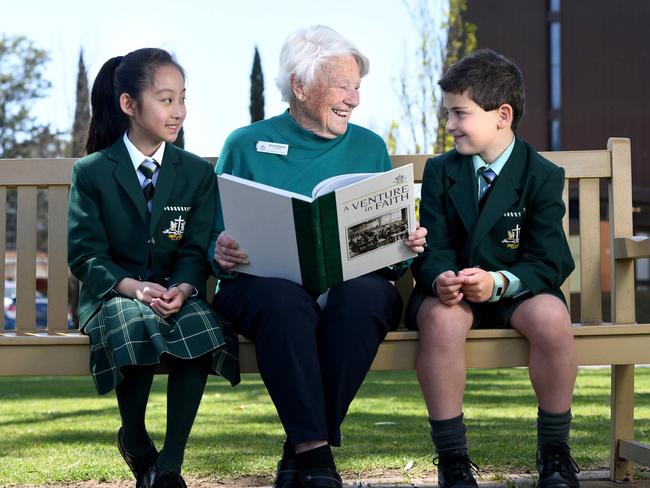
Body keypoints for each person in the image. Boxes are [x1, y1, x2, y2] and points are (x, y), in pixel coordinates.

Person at [211, 25, 427, 488]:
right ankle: (316, 459)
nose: (354, 99)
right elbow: (213, 234)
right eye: (342, 85)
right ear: (300, 85)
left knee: (369, 298)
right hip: (260, 288)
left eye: (357, 87)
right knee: (287, 305)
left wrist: (403, 245)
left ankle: (301, 450)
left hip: (346, 286)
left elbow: (392, 257)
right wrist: (220, 248)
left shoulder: (369, 147)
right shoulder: (245, 144)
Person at [407, 49, 579, 488]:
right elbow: (434, 246)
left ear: (502, 114)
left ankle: (556, 452)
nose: (449, 125)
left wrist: (501, 282)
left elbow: (551, 258)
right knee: (443, 323)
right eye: (447, 114)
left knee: (554, 319)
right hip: (454, 296)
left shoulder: (541, 174)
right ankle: (453, 459)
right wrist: (441, 278)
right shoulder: (442, 172)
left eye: (459, 113)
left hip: (514, 292)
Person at [68, 48, 239, 488]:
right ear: (129, 104)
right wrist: (133, 288)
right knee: (135, 321)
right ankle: (137, 440)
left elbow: (194, 248)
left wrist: (183, 288)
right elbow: (85, 254)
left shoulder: (195, 173)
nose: (178, 110)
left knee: (201, 326)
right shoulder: (92, 172)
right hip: (114, 296)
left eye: (182, 98)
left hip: (173, 292)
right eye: (166, 99)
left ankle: (169, 468)